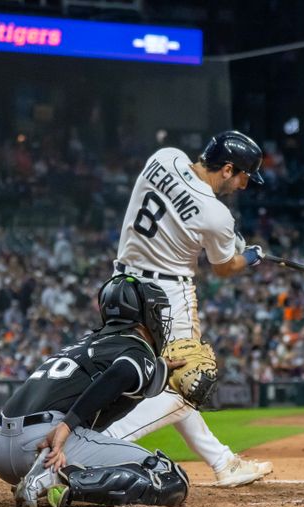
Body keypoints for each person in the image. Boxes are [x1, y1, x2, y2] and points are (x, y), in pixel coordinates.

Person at [104, 130, 273, 487]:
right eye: (243, 175)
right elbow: (225, 267)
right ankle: (104, 445)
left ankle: (223, 462)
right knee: (187, 385)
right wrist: (251, 256)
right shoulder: (217, 214)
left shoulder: (164, 157)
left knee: (159, 376)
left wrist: (228, 240)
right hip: (167, 296)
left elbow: (181, 216)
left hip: (121, 288)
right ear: (227, 169)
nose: (244, 185)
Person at [0, 275, 189, 507]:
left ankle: (48, 475)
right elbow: (121, 374)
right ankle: (53, 479)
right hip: (47, 441)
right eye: (156, 311)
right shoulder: (136, 348)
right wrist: (67, 425)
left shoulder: (87, 344)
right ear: (144, 315)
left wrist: (159, 372)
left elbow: (114, 394)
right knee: (168, 476)